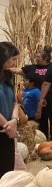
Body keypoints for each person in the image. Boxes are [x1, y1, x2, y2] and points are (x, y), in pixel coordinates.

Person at [11, 46, 52, 140]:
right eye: (36, 57)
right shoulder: (32, 68)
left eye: (38, 57)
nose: (36, 59)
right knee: (41, 120)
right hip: (37, 98)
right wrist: (6, 68)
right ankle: (43, 138)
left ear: (45, 58)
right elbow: (19, 71)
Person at [0, 42, 20, 177]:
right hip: (5, 128)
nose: (14, 63)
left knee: (7, 171)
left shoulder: (7, 77)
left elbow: (15, 103)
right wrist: (8, 125)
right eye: (13, 59)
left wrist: (14, 120)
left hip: (7, 129)